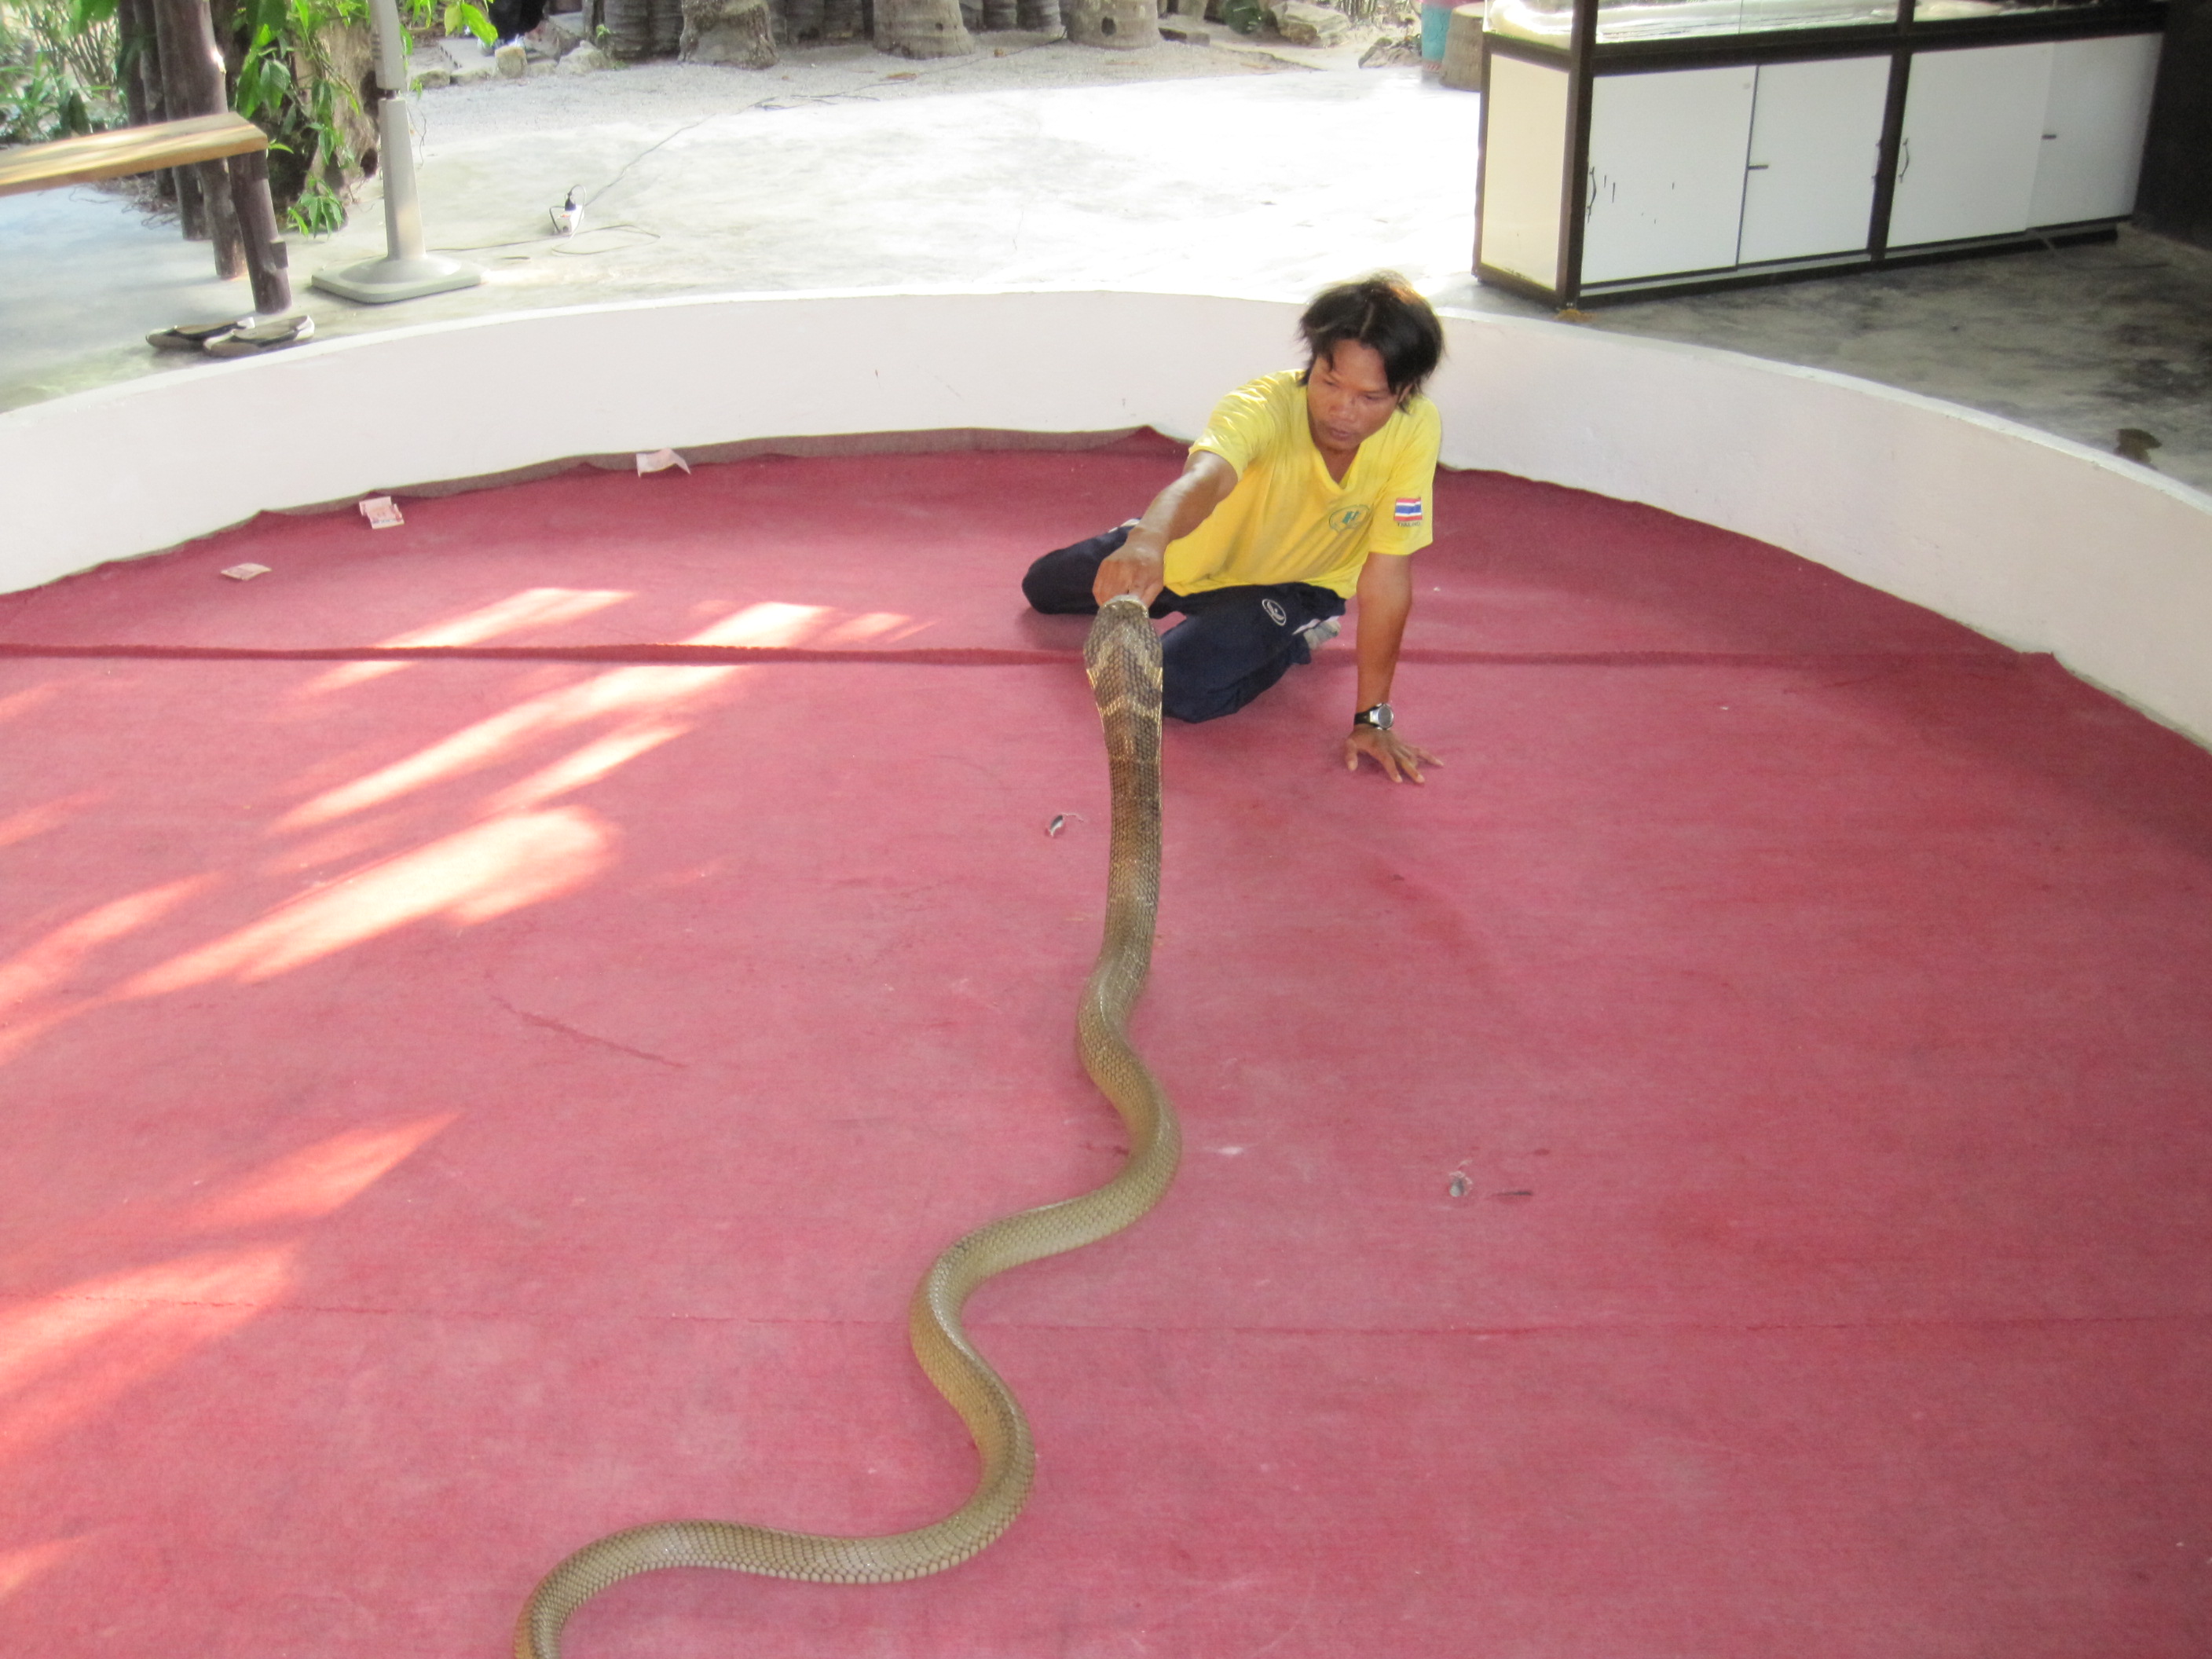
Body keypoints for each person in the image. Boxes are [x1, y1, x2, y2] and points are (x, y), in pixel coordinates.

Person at [1022, 273, 1445, 785]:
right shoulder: (1261, 405)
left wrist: (1373, 720)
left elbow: (1388, 577)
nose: (1342, 409)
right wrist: (1148, 542)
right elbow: (1202, 480)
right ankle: (1144, 541)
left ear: (1404, 392)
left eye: (1370, 398)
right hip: (1190, 555)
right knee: (1042, 585)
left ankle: (1295, 637)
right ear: (1312, 362)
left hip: (1294, 587)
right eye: (1329, 383)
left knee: (1170, 688)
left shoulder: (1416, 429)